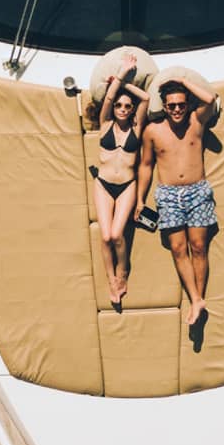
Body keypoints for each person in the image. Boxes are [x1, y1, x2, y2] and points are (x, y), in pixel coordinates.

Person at [135, 68, 220, 327]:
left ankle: (198, 300)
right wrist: (140, 199)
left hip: (197, 191)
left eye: (181, 104)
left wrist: (183, 81)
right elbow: (146, 165)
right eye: (171, 105)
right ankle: (196, 299)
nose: (176, 110)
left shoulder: (197, 121)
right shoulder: (152, 131)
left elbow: (210, 100)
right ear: (164, 105)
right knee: (177, 248)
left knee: (198, 247)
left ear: (187, 104)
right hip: (168, 195)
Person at [91, 58, 145, 307]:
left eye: (127, 106)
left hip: (127, 185)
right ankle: (112, 279)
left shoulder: (137, 126)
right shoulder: (105, 125)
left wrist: (124, 83)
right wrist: (119, 78)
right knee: (104, 237)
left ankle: (123, 271)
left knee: (117, 235)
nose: (122, 109)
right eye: (119, 105)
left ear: (132, 109)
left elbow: (144, 99)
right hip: (103, 184)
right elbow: (109, 99)